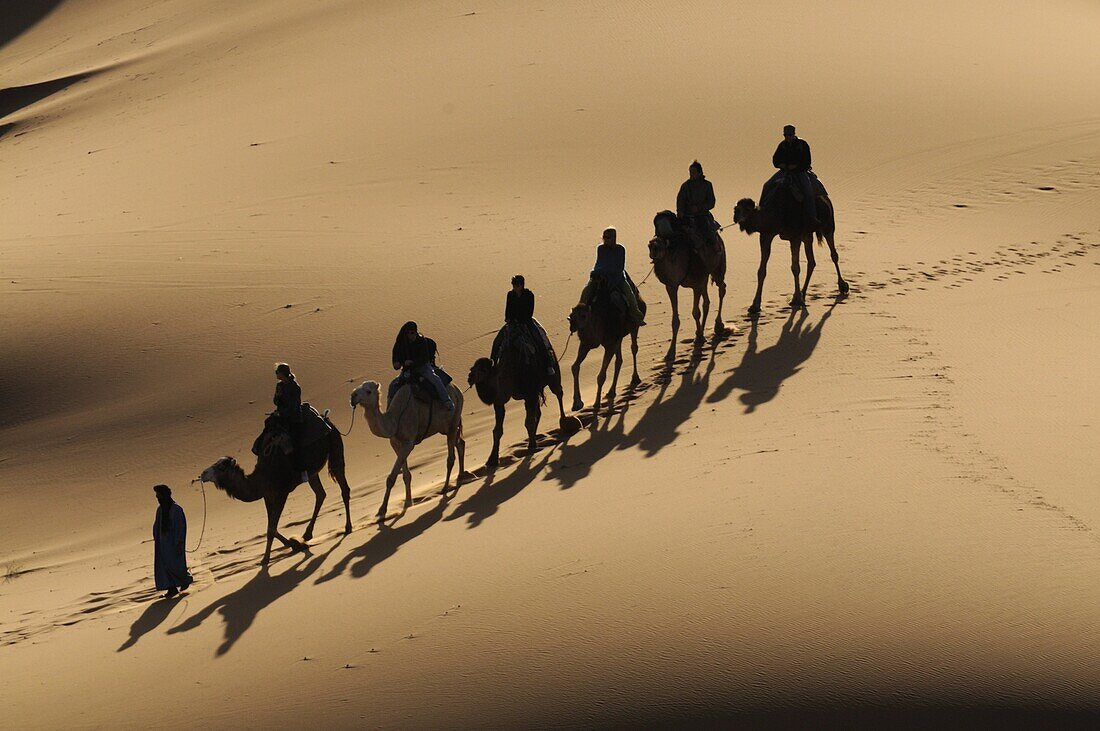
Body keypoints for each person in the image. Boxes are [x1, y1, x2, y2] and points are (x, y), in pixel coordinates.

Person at [577, 228, 645, 326]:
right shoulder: (600, 249)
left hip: (617, 278)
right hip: (600, 276)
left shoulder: (620, 249)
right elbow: (599, 263)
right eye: (604, 237)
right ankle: (579, 313)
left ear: (614, 238)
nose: (605, 240)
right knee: (586, 290)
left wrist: (607, 274)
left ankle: (636, 316)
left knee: (629, 294)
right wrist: (595, 273)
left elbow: (619, 267)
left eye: (608, 237)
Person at [491, 275, 557, 375]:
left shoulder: (529, 295)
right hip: (512, 323)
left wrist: (520, 321)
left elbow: (529, 312)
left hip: (527, 323)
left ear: (521, 285)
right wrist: (509, 319)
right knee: (497, 341)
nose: (515, 287)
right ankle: (492, 365)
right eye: (513, 285)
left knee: (539, 339)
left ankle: (548, 364)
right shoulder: (510, 295)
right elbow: (508, 310)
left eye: (516, 285)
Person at [391, 321, 455, 410]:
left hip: (423, 367)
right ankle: (390, 411)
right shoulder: (400, 344)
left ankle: (447, 401)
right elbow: (395, 361)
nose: (411, 335)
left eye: (413, 333)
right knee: (393, 385)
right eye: (409, 333)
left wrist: (412, 362)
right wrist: (397, 363)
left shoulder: (421, 341)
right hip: (407, 370)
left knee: (435, 379)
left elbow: (424, 359)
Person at [763, 124, 818, 224]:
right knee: (767, 185)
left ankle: (812, 217)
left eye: (789, 135)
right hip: (784, 172)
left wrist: (796, 166)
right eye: (786, 135)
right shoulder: (782, 145)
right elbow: (775, 160)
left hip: (800, 172)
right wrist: (781, 165)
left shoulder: (802, 145)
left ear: (794, 134)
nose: (787, 137)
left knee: (808, 192)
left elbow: (807, 161)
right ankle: (762, 211)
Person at [152, 484, 192, 599]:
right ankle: (171, 589)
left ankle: (185, 580)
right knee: (164, 566)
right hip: (162, 544)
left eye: (159, 495)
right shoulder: (160, 510)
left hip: (173, 544)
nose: (157, 498)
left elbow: (180, 527)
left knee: (176, 565)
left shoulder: (176, 509)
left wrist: (179, 542)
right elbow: (157, 526)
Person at [676, 160, 717, 246]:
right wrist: (680, 212)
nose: (691, 174)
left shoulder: (707, 185)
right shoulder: (685, 186)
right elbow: (680, 200)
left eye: (693, 172)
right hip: (686, 216)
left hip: (702, 215)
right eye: (690, 172)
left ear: (700, 172)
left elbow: (711, 202)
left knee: (707, 234)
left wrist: (699, 208)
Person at [272, 363, 303, 449]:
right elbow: (275, 401)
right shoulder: (279, 385)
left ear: (282, 373)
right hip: (280, 414)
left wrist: (282, 413)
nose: (276, 374)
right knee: (268, 424)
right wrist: (278, 396)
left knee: (294, 437)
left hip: (293, 416)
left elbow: (294, 405)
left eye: (277, 372)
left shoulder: (295, 387)